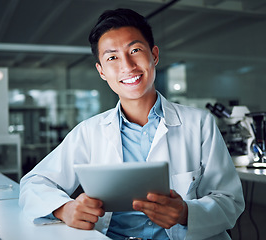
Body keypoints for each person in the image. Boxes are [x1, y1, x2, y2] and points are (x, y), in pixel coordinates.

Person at [19, 8, 245, 240]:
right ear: (101, 71)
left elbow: (230, 201)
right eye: (112, 57)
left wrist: (185, 212)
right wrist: (65, 209)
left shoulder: (199, 123)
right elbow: (34, 183)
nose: (127, 66)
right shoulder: (89, 132)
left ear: (154, 55)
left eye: (135, 50)